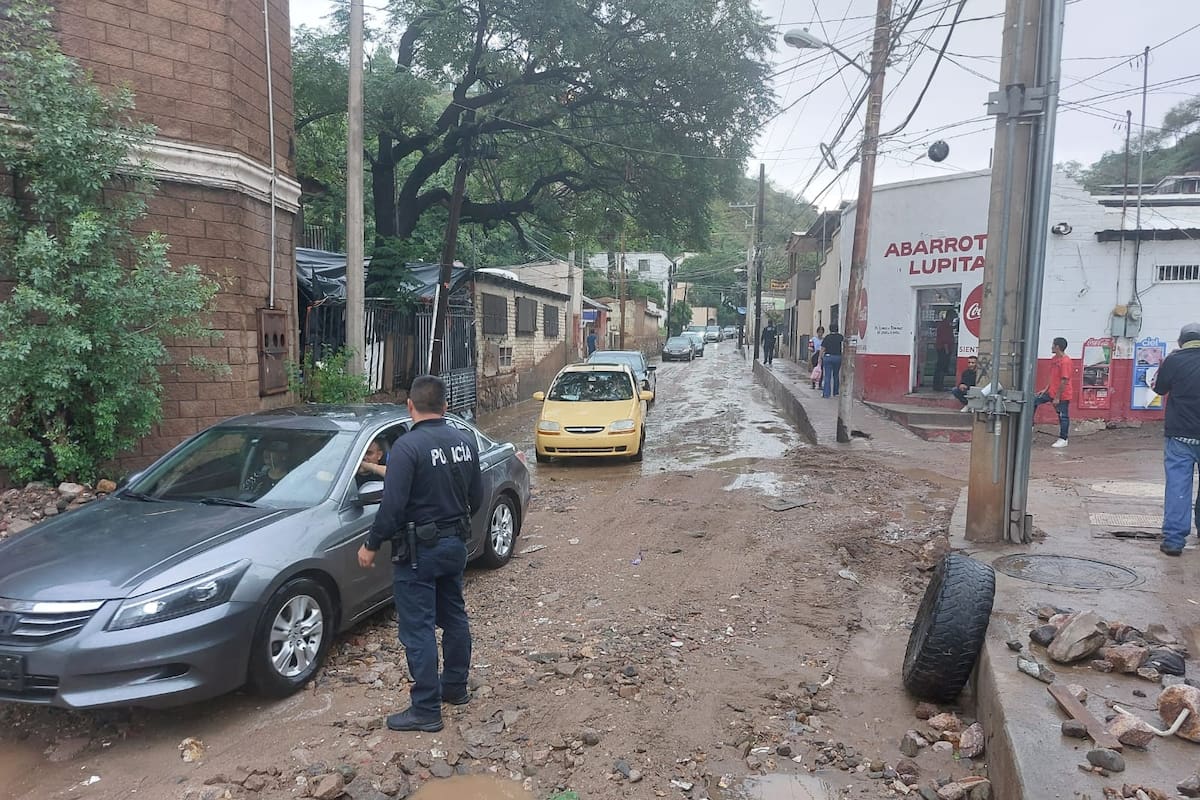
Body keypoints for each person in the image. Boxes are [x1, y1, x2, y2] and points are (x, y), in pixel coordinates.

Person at [357, 375, 483, 732]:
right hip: (454, 545)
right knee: (454, 616)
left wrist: (370, 545)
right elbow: (476, 496)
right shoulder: (464, 440)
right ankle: (455, 688)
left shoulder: (407, 448)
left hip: (417, 553)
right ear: (445, 407)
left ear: (410, 406)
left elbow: (392, 507)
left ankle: (426, 708)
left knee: (419, 629)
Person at [1152, 322, 1200, 557]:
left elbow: (1159, 389)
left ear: (1182, 341)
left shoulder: (1174, 360)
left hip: (1180, 435)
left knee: (1178, 485)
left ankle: (1173, 541)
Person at [1033, 336, 1073, 449]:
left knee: (1062, 416)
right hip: (1051, 391)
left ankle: (1063, 438)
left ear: (1057, 347)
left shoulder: (1065, 361)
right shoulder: (1054, 359)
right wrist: (1045, 389)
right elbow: (1052, 377)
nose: (1051, 347)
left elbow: (1064, 380)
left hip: (1062, 394)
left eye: (1053, 345)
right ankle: (1030, 426)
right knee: (1033, 401)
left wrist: (1057, 397)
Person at [932, 309, 957, 391]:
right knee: (941, 368)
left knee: (940, 368)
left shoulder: (945, 325)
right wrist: (947, 351)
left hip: (943, 349)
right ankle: (939, 386)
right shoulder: (945, 325)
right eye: (953, 317)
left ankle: (938, 385)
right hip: (943, 349)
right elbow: (945, 340)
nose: (953, 319)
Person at [820, 322, 845, 398]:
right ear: (837, 329)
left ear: (830, 329)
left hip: (828, 357)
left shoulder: (827, 337)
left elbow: (823, 349)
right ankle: (836, 392)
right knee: (836, 375)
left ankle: (826, 394)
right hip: (837, 357)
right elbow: (844, 347)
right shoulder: (840, 337)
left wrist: (820, 358)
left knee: (827, 376)